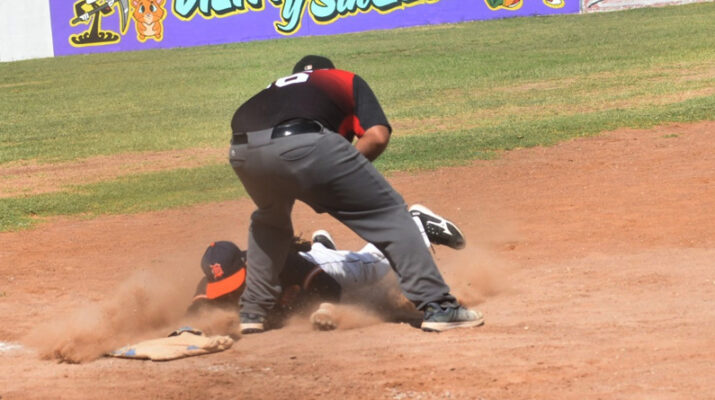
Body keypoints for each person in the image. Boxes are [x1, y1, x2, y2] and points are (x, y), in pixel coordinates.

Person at [229, 55, 483, 334]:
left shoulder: (275, 88)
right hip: (305, 142)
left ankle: (252, 312)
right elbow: (377, 135)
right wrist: (339, 175)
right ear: (329, 71)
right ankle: (440, 307)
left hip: (242, 151)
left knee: (270, 221)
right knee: (390, 215)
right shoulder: (344, 79)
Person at [190, 204, 470, 331]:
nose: (230, 291)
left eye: (234, 282)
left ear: (246, 265)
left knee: (372, 267)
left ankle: (415, 223)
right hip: (307, 263)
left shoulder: (277, 264)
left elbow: (330, 288)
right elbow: (195, 313)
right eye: (223, 287)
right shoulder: (214, 281)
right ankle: (322, 244)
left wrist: (303, 302)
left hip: (322, 268)